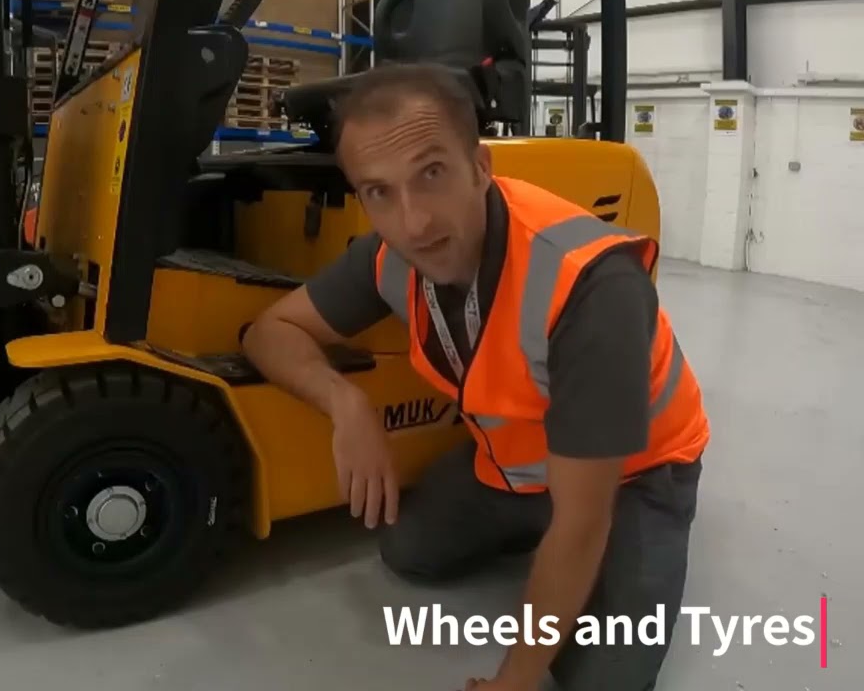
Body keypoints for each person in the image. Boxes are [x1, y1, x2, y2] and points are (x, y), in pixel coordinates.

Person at [240, 62, 709, 691]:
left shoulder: (592, 287)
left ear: (481, 167)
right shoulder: (390, 255)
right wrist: (345, 403)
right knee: (409, 553)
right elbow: (270, 331)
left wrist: (512, 683)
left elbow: (582, 519)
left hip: (633, 473)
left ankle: (635, 545)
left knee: (603, 678)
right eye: (379, 192)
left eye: (431, 174)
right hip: (519, 460)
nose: (414, 223)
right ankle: (540, 533)